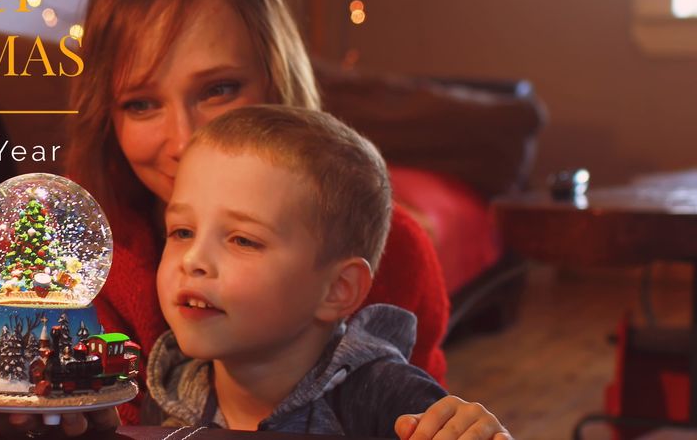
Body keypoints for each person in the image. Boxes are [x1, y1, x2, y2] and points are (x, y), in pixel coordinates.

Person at [65, 0, 449, 429]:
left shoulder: (393, 248)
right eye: (140, 104)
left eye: (218, 89)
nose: (184, 141)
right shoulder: (80, 262)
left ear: (276, 76)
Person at [146, 105, 508, 439]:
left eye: (243, 240)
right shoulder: (165, 387)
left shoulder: (388, 399)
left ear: (337, 289)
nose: (192, 259)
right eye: (182, 232)